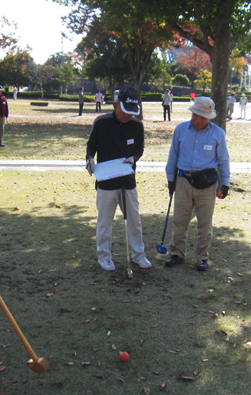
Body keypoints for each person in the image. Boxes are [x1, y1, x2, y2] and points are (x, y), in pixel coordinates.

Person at [85, 87, 152, 272]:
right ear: (115, 106)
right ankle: (104, 256)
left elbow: (139, 148)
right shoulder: (101, 122)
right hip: (106, 181)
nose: (128, 116)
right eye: (124, 112)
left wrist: (134, 158)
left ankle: (139, 255)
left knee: (134, 220)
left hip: (128, 180)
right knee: (105, 221)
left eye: (132, 113)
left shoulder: (137, 125)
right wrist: (89, 160)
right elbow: (91, 146)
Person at [164, 97, 230, 272]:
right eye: (196, 116)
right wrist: (171, 180)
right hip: (183, 180)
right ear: (192, 113)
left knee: (205, 223)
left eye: (203, 117)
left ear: (209, 117)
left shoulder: (218, 133)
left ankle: (202, 258)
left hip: (207, 184)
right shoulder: (180, 130)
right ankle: (177, 253)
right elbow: (173, 155)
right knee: (179, 220)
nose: (199, 120)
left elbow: (223, 160)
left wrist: (225, 184)